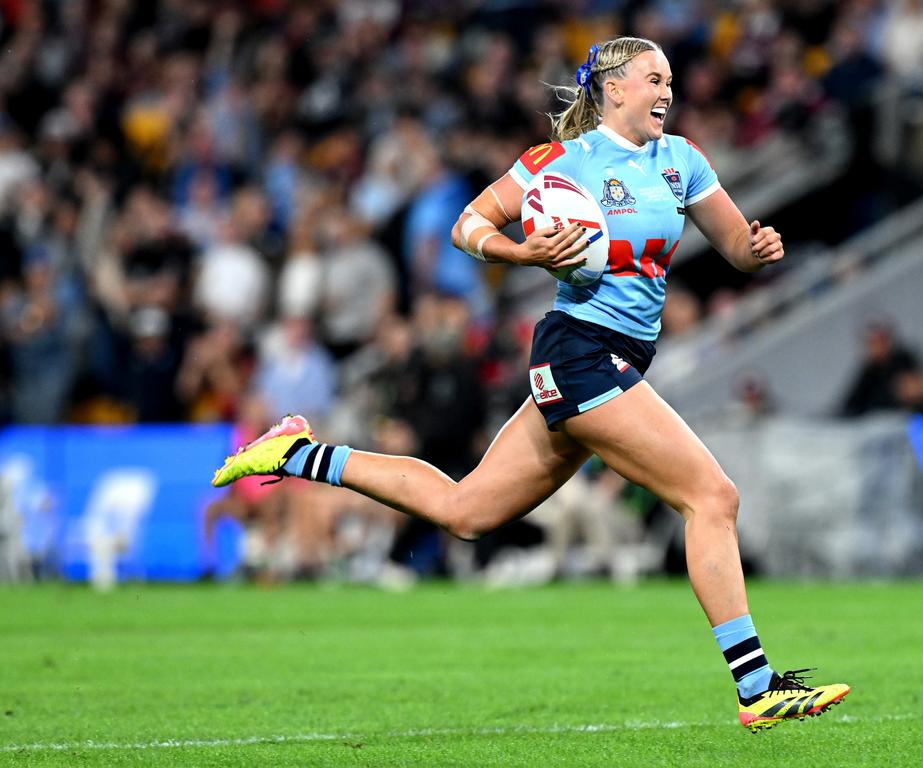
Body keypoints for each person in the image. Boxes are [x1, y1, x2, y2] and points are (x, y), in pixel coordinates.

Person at [211, 36, 849, 732]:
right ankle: (756, 686)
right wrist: (522, 251)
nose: (667, 91)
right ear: (611, 89)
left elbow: (734, 247)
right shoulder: (560, 163)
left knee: (466, 512)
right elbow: (467, 224)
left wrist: (757, 251)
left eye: (670, 80)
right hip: (578, 350)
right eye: (651, 79)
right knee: (712, 496)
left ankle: (300, 454)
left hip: (613, 360)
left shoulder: (682, 161)